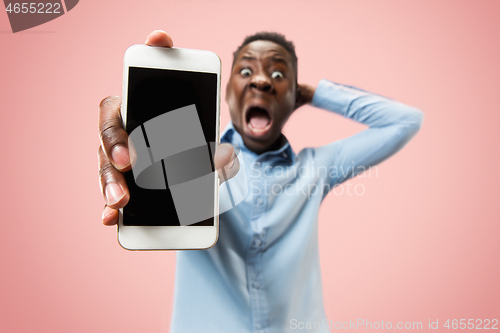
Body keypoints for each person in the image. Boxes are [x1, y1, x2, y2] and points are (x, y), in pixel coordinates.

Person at [98, 30, 423, 332]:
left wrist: (313, 93)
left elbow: (405, 121)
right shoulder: (197, 159)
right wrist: (134, 147)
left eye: (278, 75)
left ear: (293, 96)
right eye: (246, 72)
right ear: (226, 93)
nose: (263, 81)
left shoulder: (317, 168)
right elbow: (163, 180)